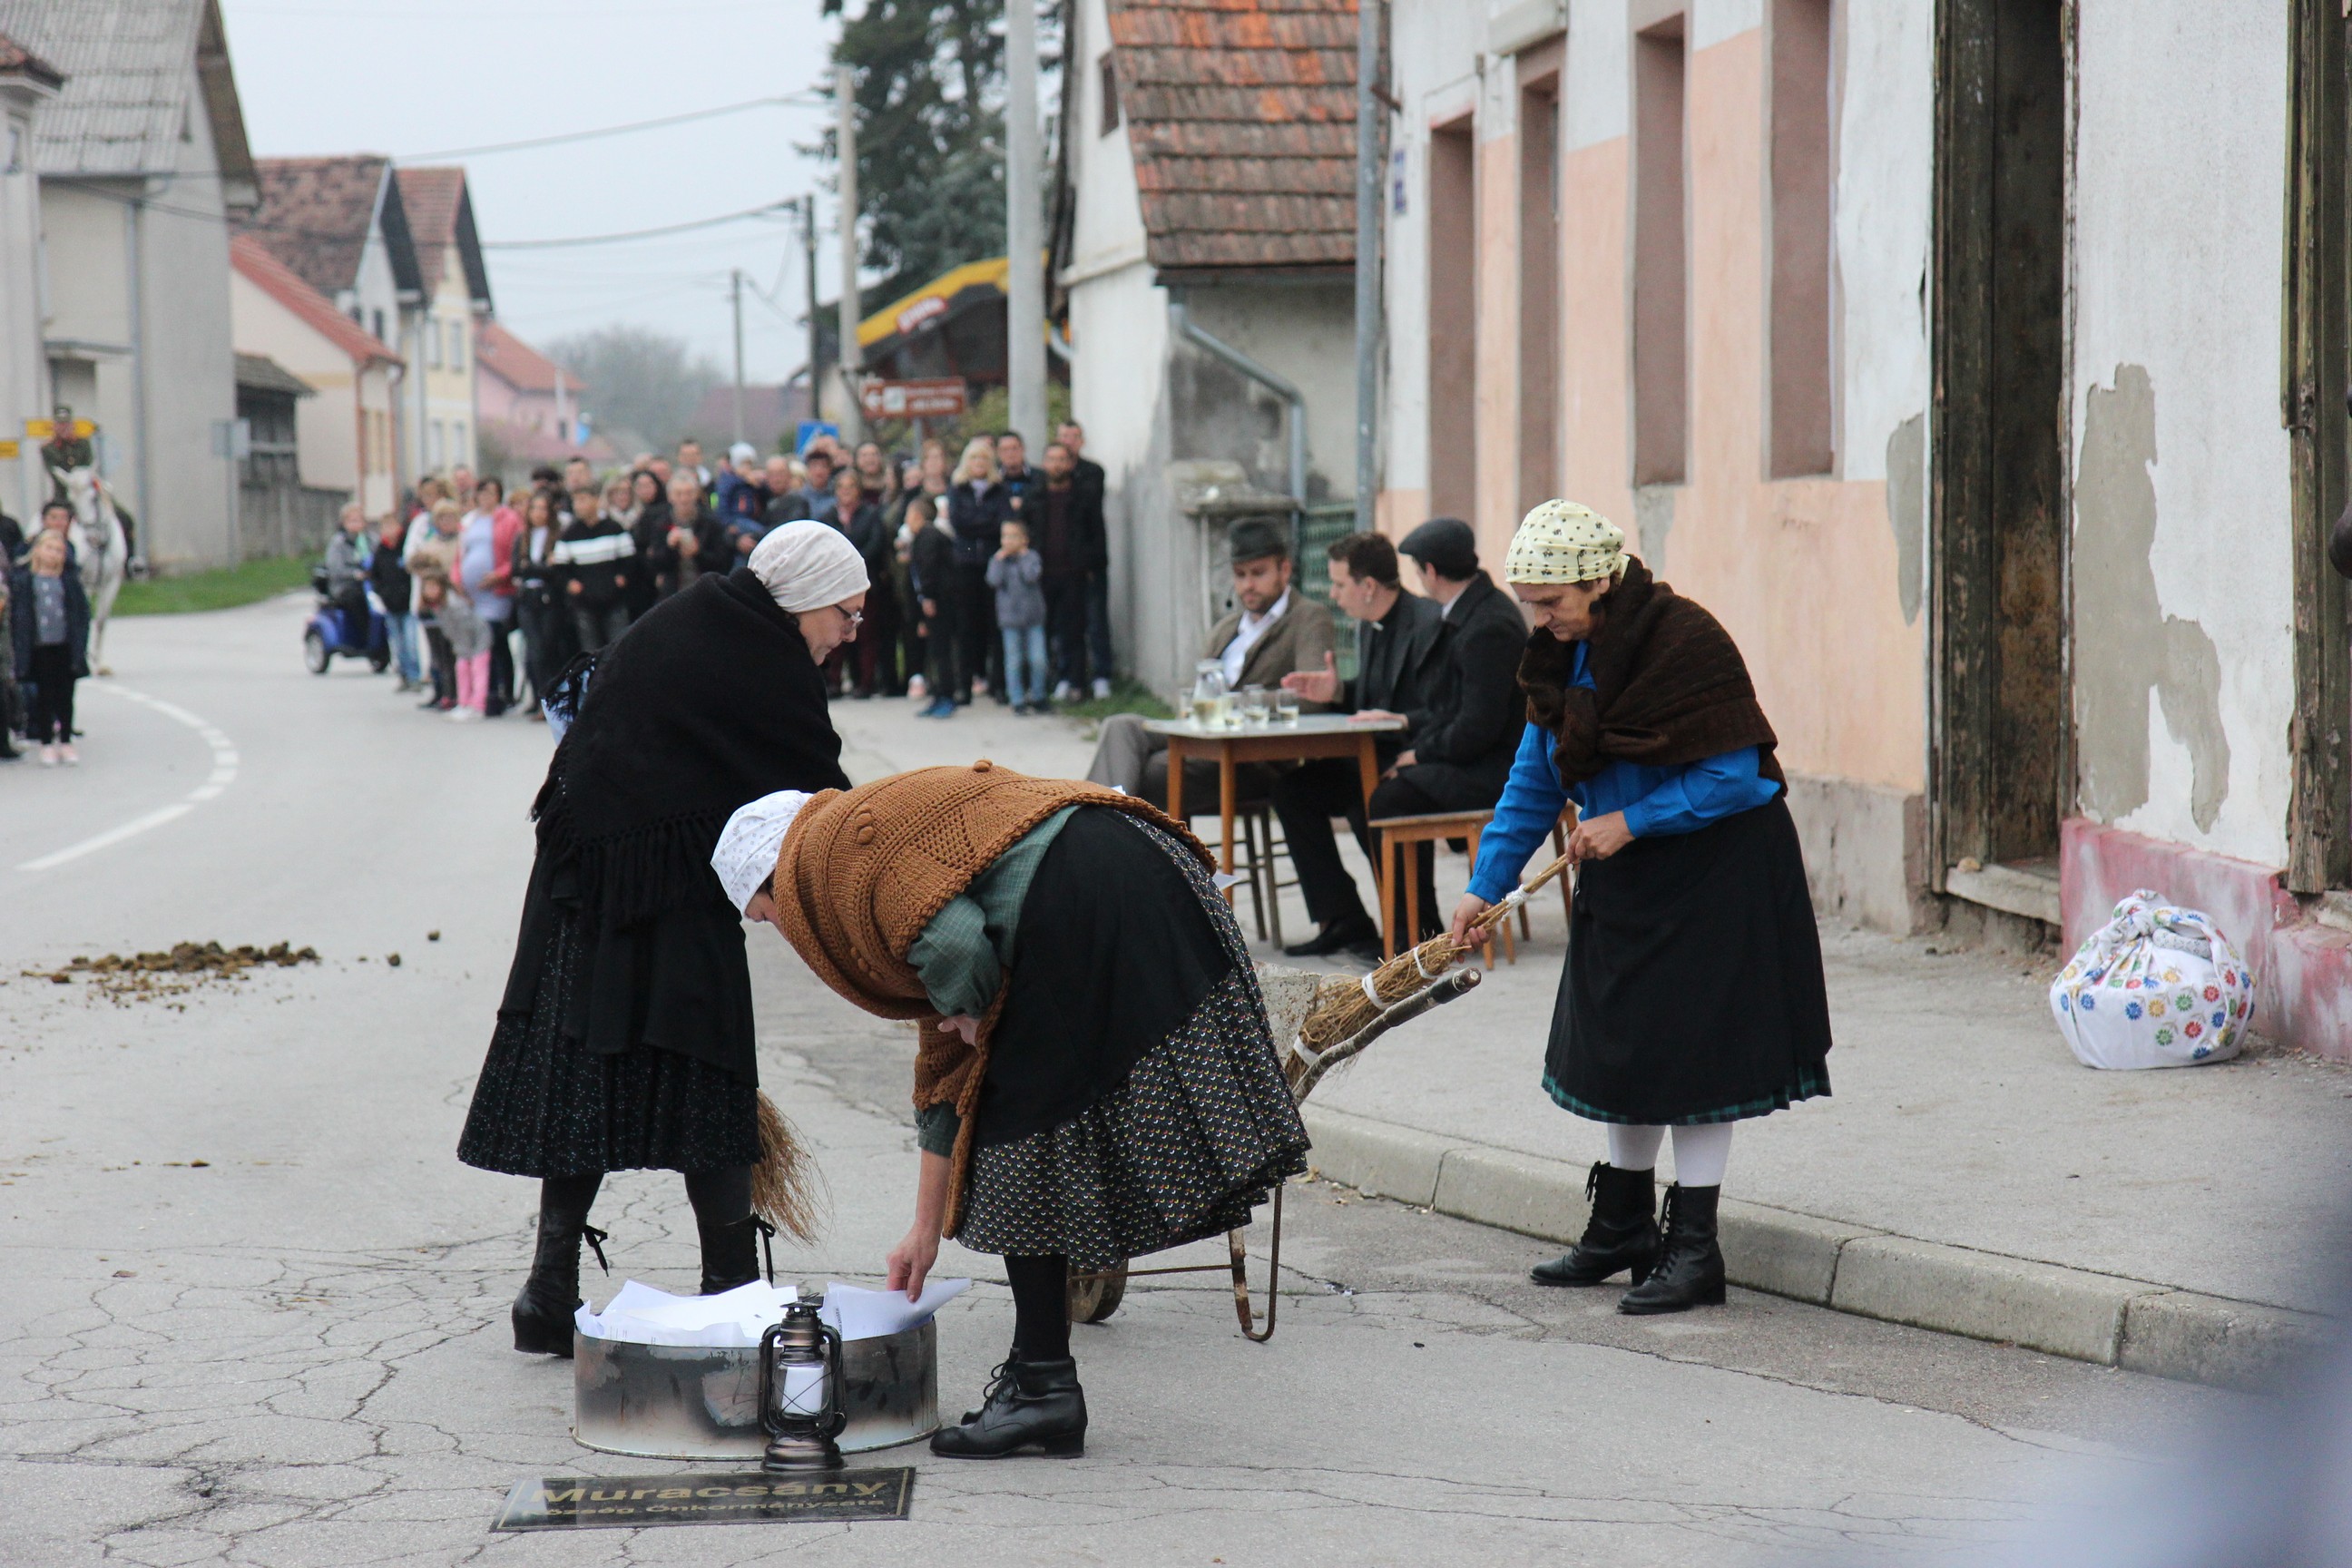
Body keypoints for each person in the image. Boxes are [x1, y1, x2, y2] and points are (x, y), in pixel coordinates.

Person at [722, 761, 1309, 1458]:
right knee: (1022, 1122)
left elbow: (955, 949)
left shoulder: (830, 860)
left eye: (764, 916)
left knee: (1015, 1141)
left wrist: (977, 1014)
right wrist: (923, 1231)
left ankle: (1042, 1390)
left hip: (1089, 889)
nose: (779, 930)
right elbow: (947, 1071)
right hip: (1137, 867)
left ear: (775, 880)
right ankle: (1041, 1382)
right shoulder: (862, 845)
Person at [460, 520, 868, 1354]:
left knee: (588, 1068)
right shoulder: (765, 657)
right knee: (707, 1065)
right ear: (805, 600)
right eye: (847, 613)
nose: (853, 632)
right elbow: (819, 795)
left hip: (583, 877)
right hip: (652, 884)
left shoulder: (699, 615)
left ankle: (548, 1293)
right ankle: (731, 1290)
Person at [1446, 501, 1832, 1315]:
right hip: (1623, 873)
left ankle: (1695, 1249)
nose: (1539, 620)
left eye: (1550, 602)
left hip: (1716, 868)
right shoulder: (1557, 658)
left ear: (1599, 582)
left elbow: (1736, 776)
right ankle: (1623, 1225)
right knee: (1621, 1049)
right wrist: (1486, 885)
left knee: (1697, 1061)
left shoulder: (1686, 643)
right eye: (1530, 603)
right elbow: (1535, 777)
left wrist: (1630, 820)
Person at [1351, 515, 1537, 936]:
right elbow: (1450, 708)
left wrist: (1419, 754)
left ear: (1431, 571)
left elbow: (1477, 726)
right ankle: (1414, 928)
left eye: (1418, 571)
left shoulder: (1486, 625)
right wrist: (1416, 742)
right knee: (1387, 788)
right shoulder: (1471, 612)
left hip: (1498, 769)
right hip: (1481, 757)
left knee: (1389, 799)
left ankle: (1411, 935)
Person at [1273, 532, 1449, 957]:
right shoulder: (1369, 624)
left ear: (1368, 586)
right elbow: (1377, 701)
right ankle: (1345, 920)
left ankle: (1417, 928)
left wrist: (1404, 735)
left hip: (1424, 756)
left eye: (1339, 584)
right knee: (1292, 790)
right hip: (1377, 753)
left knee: (1371, 797)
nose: (1333, 594)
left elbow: (1445, 708)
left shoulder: (1429, 623)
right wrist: (1337, 691)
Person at [1086, 520, 1336, 810]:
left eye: (1258, 573)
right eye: (1240, 575)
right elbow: (1199, 693)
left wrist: (1232, 704)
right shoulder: (1226, 629)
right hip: (1201, 740)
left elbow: (1312, 697)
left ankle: (1094, 822)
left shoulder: (1308, 618)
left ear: (1285, 569)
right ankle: (1097, 819)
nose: (1248, 585)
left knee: (1144, 770)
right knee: (1120, 727)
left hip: (1254, 757)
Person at [10, 530, 90, 766]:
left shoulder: (69, 582)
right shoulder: (25, 581)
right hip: (39, 647)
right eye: (49, 549)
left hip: (64, 646)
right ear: (37, 551)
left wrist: (80, 644)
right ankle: (46, 742)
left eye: (59, 551)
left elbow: (81, 613)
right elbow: (19, 617)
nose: (54, 555)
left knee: (65, 695)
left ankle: (65, 740)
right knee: (44, 695)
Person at [1034, 442, 1104, 703]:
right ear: (1044, 463)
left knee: (1074, 631)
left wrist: (1092, 565)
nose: (1057, 465)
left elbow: (1096, 534)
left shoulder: (1083, 496)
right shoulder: (1035, 497)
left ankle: (1075, 682)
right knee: (1044, 630)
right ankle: (1049, 681)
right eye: (1052, 459)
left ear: (1070, 463)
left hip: (1074, 574)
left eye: (1062, 459)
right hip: (1041, 574)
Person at [1057, 420, 1115, 697]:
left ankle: (1102, 675)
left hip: (1090, 562)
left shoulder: (1092, 472)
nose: (1068, 441)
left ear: (1081, 441)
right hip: (1062, 565)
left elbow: (1088, 504)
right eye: (1064, 436)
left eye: (1074, 436)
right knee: (1067, 624)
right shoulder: (1048, 477)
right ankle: (1070, 678)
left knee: (1096, 621)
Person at [947, 437, 1004, 704]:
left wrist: (978, 525)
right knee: (966, 626)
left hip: (993, 563)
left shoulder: (999, 490)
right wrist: (984, 524)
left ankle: (998, 684)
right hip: (966, 564)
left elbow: (1002, 522)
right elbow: (959, 522)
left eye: (983, 458)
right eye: (974, 458)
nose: (978, 463)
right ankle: (964, 685)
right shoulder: (957, 489)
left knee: (995, 625)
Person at [459, 477, 521, 715]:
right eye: (482, 493)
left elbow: (515, 555)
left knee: (495, 639)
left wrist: (498, 575)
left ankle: (504, 692)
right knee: (480, 644)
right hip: (472, 594)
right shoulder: (470, 520)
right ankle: (485, 691)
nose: (486, 497)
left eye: (491, 493)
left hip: (496, 590)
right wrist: (460, 582)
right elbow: (461, 553)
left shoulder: (509, 518)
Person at [838, 466, 899, 699]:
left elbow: (875, 545)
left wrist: (851, 561)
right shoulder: (829, 516)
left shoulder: (871, 515)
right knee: (839, 636)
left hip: (865, 583)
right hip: (837, 585)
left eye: (851, 486)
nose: (846, 491)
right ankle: (837, 682)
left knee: (866, 635)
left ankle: (866, 683)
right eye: (842, 487)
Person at [552, 485, 636, 653]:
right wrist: (570, 584)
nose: (578, 506)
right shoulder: (569, 534)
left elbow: (630, 559)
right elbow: (559, 567)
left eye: (583, 500)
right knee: (591, 650)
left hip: (614, 600)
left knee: (619, 648)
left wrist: (622, 577)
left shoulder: (614, 528)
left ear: (596, 501)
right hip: (584, 603)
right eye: (576, 501)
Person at [511, 489, 573, 714]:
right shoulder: (523, 537)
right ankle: (540, 699)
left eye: (543, 509)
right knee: (534, 650)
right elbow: (517, 568)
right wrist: (539, 567)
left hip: (550, 599)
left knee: (549, 648)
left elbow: (556, 570)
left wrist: (533, 567)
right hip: (528, 598)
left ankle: (555, 698)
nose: (538, 513)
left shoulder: (557, 536)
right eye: (534, 509)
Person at [986, 520, 1049, 714]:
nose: (1008, 541)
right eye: (1005, 536)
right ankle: (1017, 699)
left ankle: (1038, 696)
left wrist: (1022, 558)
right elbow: (993, 580)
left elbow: (1031, 576)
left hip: (1033, 618)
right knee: (1013, 660)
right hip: (1009, 620)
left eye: (1013, 536)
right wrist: (999, 561)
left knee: (1038, 659)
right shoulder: (998, 560)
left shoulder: (1032, 557)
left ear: (1024, 540)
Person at [407, 500, 464, 711]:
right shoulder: (431, 542)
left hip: (452, 603)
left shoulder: (461, 542)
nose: (446, 522)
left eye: (450, 518)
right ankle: (440, 691)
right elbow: (415, 565)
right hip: (432, 604)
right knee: (437, 652)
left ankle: (454, 693)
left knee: (451, 652)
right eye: (442, 518)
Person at [907, 492, 960, 719]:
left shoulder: (928, 536)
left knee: (942, 650)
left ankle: (947, 696)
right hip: (933, 601)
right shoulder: (923, 537)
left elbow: (928, 570)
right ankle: (938, 694)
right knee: (934, 650)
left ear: (917, 516)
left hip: (940, 601)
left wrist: (928, 597)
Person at [418, 573, 491, 721]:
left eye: (433, 587)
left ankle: (478, 706)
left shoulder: (454, 605)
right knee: (462, 671)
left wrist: (465, 650)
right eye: (427, 588)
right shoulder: (439, 606)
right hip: (463, 645)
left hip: (478, 641)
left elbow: (467, 629)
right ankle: (464, 703)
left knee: (478, 673)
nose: (430, 591)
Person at [371, 515, 419, 692]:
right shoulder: (380, 551)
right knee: (398, 645)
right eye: (386, 527)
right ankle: (403, 675)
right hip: (390, 606)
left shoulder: (406, 547)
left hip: (408, 605)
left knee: (410, 642)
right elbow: (375, 576)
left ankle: (415, 676)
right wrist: (382, 594)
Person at [323, 504, 374, 652]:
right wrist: (354, 574)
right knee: (357, 599)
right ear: (344, 523)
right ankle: (364, 637)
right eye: (352, 521)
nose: (356, 524)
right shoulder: (338, 543)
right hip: (345, 586)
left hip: (369, 583)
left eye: (359, 520)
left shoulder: (370, 540)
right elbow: (335, 568)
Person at [622, 470, 668, 621]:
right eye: (640, 486)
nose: (645, 490)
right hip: (637, 576)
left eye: (649, 485)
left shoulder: (664, 511)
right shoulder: (630, 514)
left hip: (656, 571)